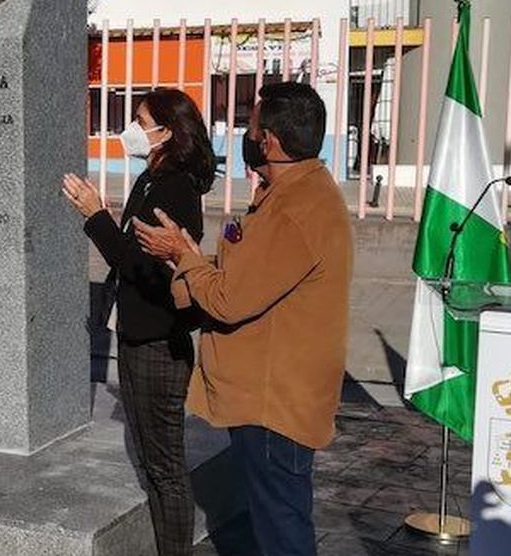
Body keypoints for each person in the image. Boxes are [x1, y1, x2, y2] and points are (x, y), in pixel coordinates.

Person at [135, 81, 352, 556]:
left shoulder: (295, 209)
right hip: (272, 395)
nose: (246, 136)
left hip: (275, 405)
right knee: (278, 519)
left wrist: (181, 256)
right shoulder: (294, 193)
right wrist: (192, 262)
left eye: (251, 127)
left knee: (282, 530)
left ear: (269, 140)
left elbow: (230, 300)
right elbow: (249, 276)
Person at [62, 88, 214, 556]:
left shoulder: (175, 189)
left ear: (166, 131)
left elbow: (142, 267)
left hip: (157, 343)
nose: (131, 130)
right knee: (152, 465)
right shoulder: (151, 179)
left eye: (141, 119)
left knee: (165, 468)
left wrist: (95, 217)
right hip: (135, 335)